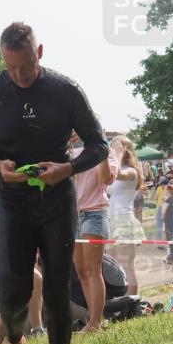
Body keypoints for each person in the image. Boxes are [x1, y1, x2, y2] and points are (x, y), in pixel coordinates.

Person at [0, 22, 107, 344]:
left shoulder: (65, 90)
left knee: (57, 288)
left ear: (38, 53)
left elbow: (99, 145)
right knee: (12, 287)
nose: (19, 75)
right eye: (11, 68)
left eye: (25, 66)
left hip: (56, 199)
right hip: (11, 201)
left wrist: (68, 169)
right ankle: (14, 343)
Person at [71, 132, 121, 333]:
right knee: (81, 271)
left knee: (93, 270)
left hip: (95, 213)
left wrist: (100, 148)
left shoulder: (109, 154)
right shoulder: (74, 152)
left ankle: (96, 322)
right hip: (74, 215)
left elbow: (105, 178)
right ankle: (94, 319)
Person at [108, 136, 148, 295]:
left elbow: (117, 174)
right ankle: (119, 302)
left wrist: (116, 155)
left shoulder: (131, 171)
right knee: (113, 266)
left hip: (124, 220)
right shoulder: (117, 167)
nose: (112, 150)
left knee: (126, 265)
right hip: (111, 221)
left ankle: (131, 301)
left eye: (116, 147)